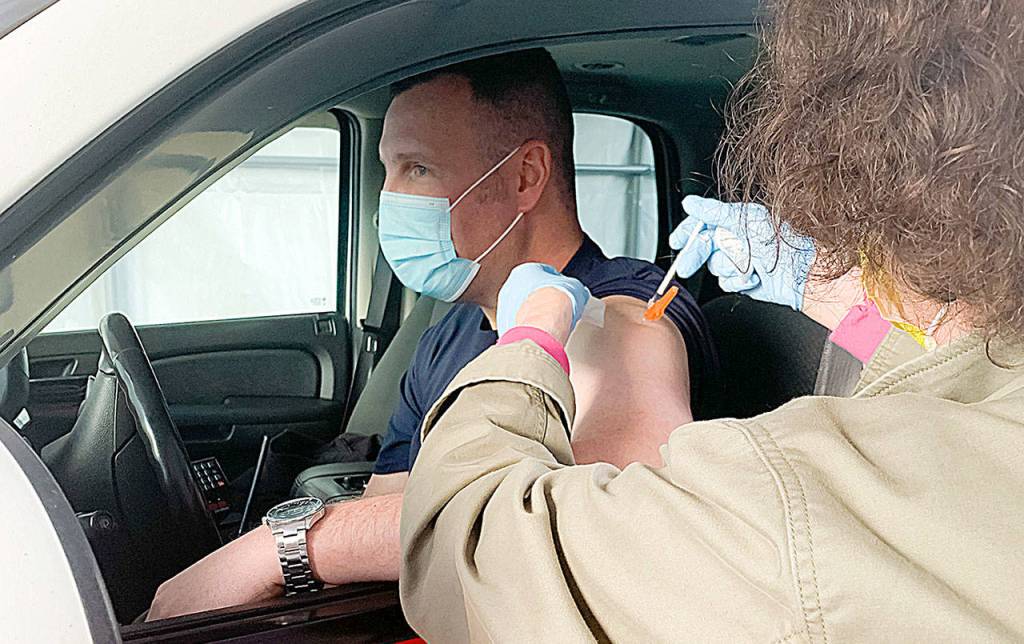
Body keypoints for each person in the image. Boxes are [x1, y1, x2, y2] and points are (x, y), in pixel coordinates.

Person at [399, 1, 1024, 641]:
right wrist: (842, 300)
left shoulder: (790, 504)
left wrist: (530, 338)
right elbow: (960, 365)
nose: (385, 203)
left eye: (414, 170)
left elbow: (473, 558)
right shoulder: (989, 405)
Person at [147, 49, 715, 620]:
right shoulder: (453, 331)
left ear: (525, 176)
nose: (387, 199)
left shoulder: (624, 308)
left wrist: (285, 547)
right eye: (388, 169)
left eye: (417, 169)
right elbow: (395, 508)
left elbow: (607, 514)